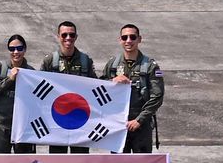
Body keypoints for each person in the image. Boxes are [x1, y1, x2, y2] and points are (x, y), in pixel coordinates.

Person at [42, 20, 98, 154]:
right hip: (57, 118)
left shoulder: (85, 61)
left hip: (80, 119)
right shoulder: (50, 61)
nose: (68, 38)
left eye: (72, 35)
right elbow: (40, 86)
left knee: (80, 160)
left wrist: (114, 82)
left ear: (76, 37)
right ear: (58, 36)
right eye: (64, 35)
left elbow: (96, 86)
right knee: (57, 160)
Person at [110, 23, 165, 153]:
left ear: (139, 39)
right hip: (119, 125)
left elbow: (157, 96)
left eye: (132, 37)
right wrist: (112, 81)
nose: (128, 41)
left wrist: (139, 120)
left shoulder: (151, 66)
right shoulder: (112, 64)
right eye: (124, 38)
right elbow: (99, 86)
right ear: (120, 40)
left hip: (141, 125)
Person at [0, 34, 27, 153]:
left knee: (24, 162)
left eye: (19, 48)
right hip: (2, 125)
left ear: (25, 49)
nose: (16, 52)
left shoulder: (31, 72)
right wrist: (9, 79)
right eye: (12, 49)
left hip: (23, 126)